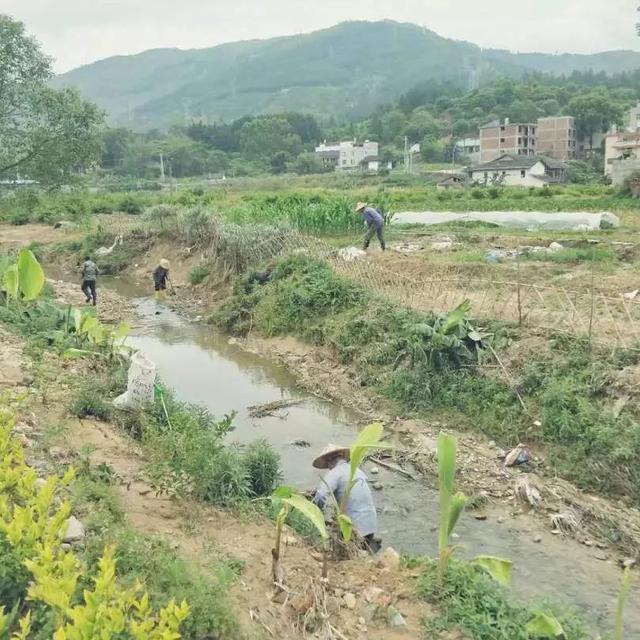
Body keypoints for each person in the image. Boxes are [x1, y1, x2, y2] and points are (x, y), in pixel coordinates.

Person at [312, 443, 380, 552]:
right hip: (370, 523)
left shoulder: (335, 473)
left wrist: (315, 513)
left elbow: (320, 496)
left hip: (354, 527)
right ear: (342, 457)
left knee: (346, 553)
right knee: (363, 554)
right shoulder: (357, 471)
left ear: (329, 461)